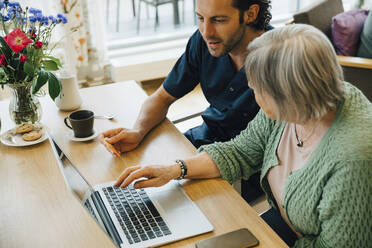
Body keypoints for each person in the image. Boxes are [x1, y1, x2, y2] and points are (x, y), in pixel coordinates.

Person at [111, 24, 372, 247]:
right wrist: (174, 169)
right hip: (285, 221)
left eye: (257, 89)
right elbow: (240, 152)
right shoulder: (296, 109)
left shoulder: (352, 160)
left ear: (288, 95)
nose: (251, 92)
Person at [100, 0, 273, 202]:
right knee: (124, 182)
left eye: (218, 20)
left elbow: (247, 152)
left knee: (173, 206)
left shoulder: (277, 61)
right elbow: (162, 97)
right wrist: (137, 131)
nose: (206, 31)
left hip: (246, 166)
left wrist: (176, 169)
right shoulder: (206, 42)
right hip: (201, 141)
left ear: (251, 14)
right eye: (200, 18)